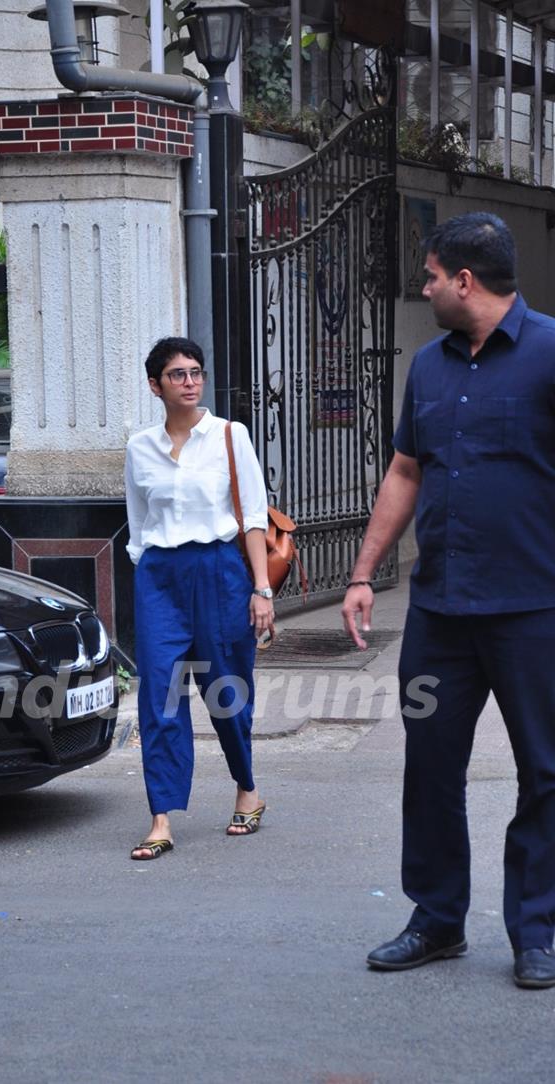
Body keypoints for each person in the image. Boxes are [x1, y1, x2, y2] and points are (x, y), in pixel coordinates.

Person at [342, 211, 555, 989]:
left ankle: (537, 929)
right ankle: (436, 920)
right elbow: (406, 470)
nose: (423, 286)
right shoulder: (428, 367)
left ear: (464, 280)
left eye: (429, 275)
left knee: (547, 771)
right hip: (439, 612)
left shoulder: (550, 353)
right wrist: (364, 571)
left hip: (536, 609)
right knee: (430, 766)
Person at [125, 336, 275, 860]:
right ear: (155, 385)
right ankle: (161, 817)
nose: (190, 382)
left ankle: (247, 788)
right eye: (177, 375)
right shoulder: (139, 447)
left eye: (195, 372)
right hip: (161, 576)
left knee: (225, 690)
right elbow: (138, 526)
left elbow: (254, 518)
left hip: (220, 572)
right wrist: (150, 575)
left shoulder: (231, 437)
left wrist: (261, 589)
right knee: (160, 695)